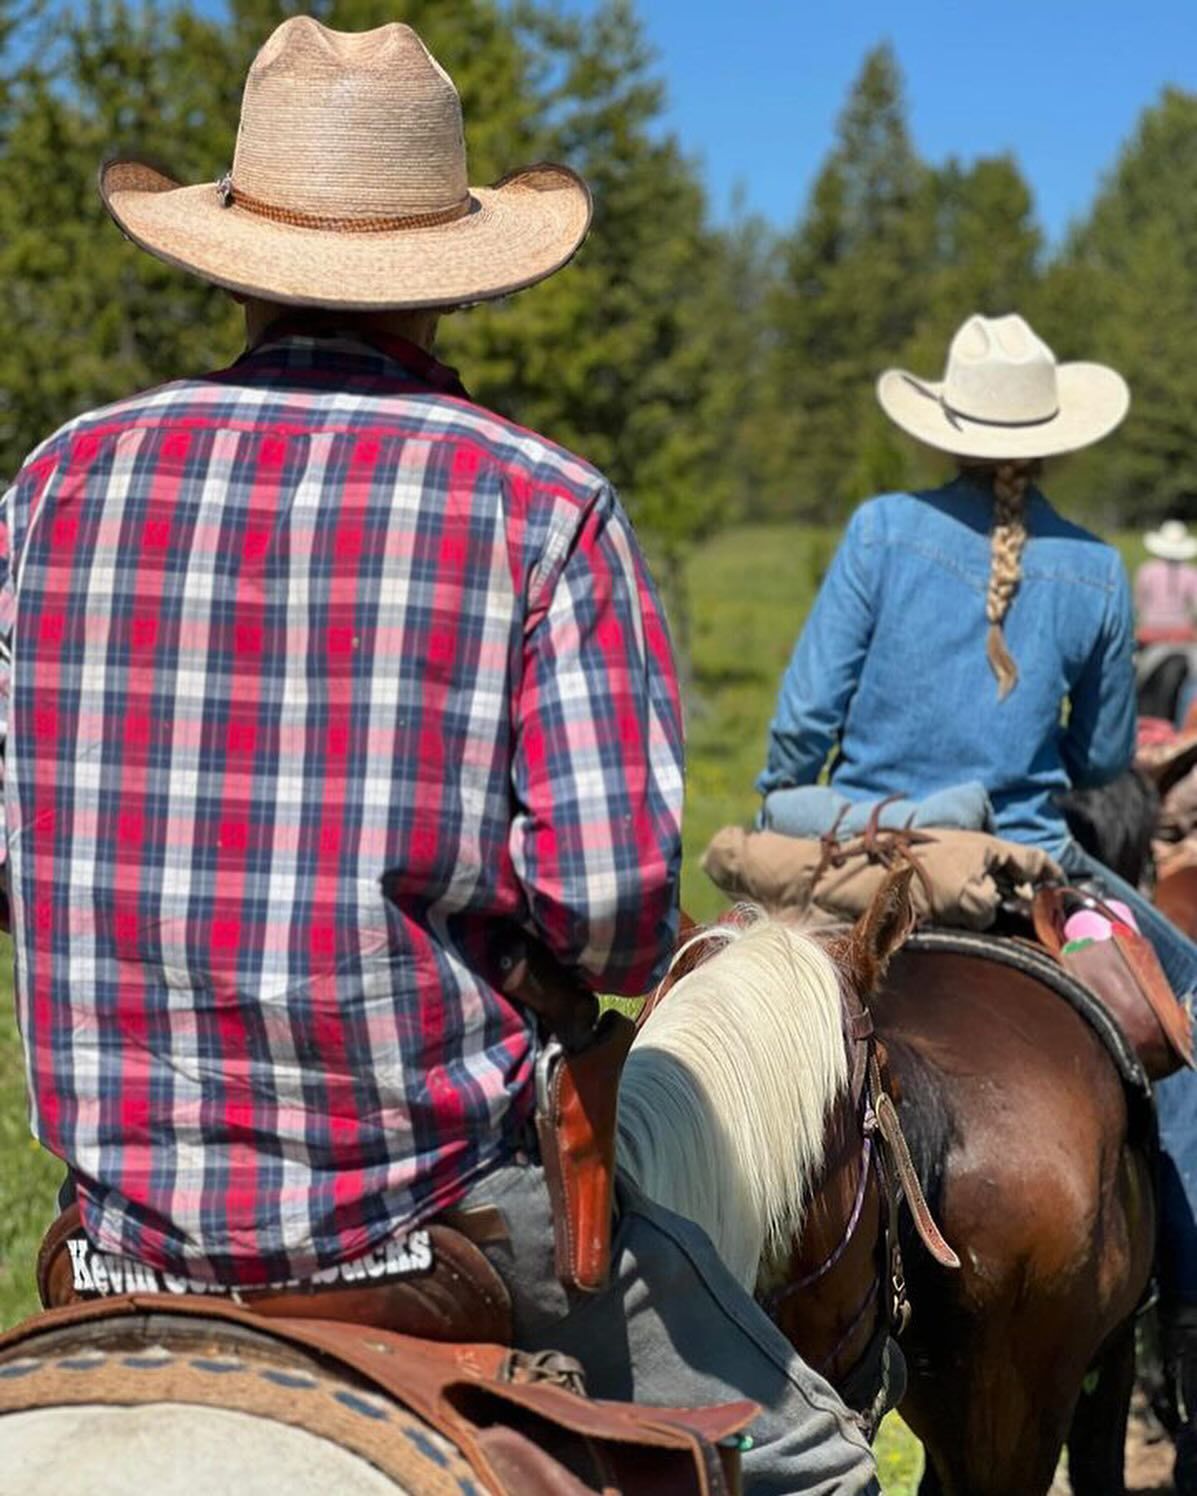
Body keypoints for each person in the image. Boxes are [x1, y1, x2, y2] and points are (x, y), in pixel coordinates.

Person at [0, 16, 874, 1493]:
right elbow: (613, 909)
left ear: (222, 251)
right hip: (421, 1219)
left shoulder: (56, 483)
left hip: (118, 1231)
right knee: (814, 1463)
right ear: (448, 285)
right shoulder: (542, 506)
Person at [758, 310, 1197, 1480]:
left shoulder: (880, 531)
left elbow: (801, 728)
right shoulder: (1096, 569)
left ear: (946, 426)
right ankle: (1190, 1322)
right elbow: (1105, 761)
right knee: (1190, 1013)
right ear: (1053, 438)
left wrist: (815, 809)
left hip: (866, 857)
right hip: (1030, 865)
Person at [1137, 520, 1197, 644]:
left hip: (1151, 628)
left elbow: (1140, 603)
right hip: (1182, 629)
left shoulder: (1147, 570)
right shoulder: (1191, 572)